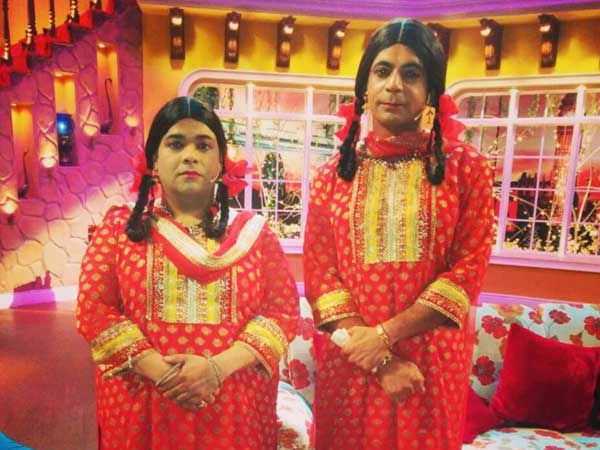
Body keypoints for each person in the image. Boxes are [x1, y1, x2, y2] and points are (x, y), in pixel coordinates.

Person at [303, 18, 494, 450]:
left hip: (427, 367)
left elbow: (467, 270)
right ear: (365, 88)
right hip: (352, 360)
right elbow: (320, 277)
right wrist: (379, 358)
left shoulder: (466, 168)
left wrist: (385, 337)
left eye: (411, 74)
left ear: (430, 92)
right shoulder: (331, 176)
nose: (394, 85)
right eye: (382, 71)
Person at [76, 97, 299, 450]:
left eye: (203, 145)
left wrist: (216, 369)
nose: (190, 155)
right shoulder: (120, 230)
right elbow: (94, 310)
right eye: (176, 144)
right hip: (144, 403)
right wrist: (165, 374)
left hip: (233, 406)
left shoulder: (254, 234)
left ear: (221, 163)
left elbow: (282, 312)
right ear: (153, 161)